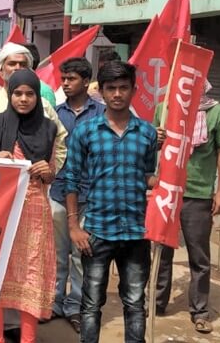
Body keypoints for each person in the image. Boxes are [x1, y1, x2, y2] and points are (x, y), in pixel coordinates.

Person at [65, 61, 157, 343]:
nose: (117, 94)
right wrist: (74, 227)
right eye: (111, 88)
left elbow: (149, 177)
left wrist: (167, 183)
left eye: (123, 88)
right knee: (91, 306)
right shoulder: (86, 132)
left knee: (135, 304)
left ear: (133, 90)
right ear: (101, 93)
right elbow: (71, 178)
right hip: (96, 231)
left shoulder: (147, 133)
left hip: (136, 232)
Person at [0, 70, 64, 343]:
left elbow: (50, 175)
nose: (24, 99)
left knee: (31, 275)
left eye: (30, 94)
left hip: (34, 211)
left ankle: (28, 339)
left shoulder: (48, 128)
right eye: (18, 93)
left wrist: (47, 171)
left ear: (38, 96)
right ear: (9, 94)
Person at [153, 82, 220, 334]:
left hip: (198, 194)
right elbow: (153, 145)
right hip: (167, 190)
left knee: (199, 257)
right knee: (161, 251)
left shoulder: (216, 112)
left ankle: (199, 310)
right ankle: (157, 302)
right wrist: (155, 137)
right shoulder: (164, 109)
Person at [49, 57, 104, 332]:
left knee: (82, 255)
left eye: (71, 79)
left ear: (85, 81)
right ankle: (54, 302)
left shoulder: (102, 114)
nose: (65, 84)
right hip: (58, 191)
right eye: (63, 79)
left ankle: (76, 306)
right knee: (57, 253)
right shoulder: (55, 113)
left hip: (90, 195)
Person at [0, 42, 67, 170]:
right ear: (1, 70)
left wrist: (49, 173)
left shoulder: (44, 105)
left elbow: (60, 144)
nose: (17, 68)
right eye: (12, 64)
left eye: (23, 65)